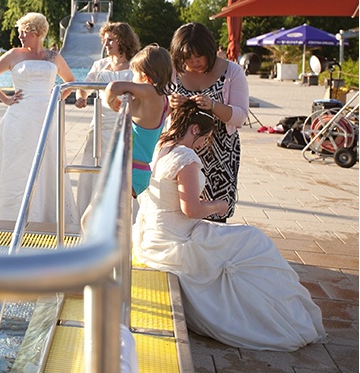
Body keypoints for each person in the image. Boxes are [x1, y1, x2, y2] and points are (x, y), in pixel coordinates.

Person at [134, 101, 325, 351]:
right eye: (205, 136)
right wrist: (218, 206)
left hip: (152, 237)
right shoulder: (185, 157)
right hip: (177, 240)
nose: (205, 143)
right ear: (194, 129)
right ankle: (266, 318)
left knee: (245, 241)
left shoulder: (161, 147)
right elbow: (190, 210)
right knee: (253, 241)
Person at [0, 12, 80, 229]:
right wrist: (5, 98)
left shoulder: (53, 57)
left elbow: (70, 81)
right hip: (19, 116)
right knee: (17, 163)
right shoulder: (14, 54)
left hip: (46, 116)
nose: (20, 36)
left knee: (47, 162)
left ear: (36, 32)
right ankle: (12, 214)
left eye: (24, 31)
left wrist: (56, 98)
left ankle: (45, 214)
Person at [169, 22, 249, 222]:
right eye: (188, 58)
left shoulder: (232, 72)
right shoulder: (173, 71)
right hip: (181, 152)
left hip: (219, 154)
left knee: (214, 217)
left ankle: (212, 252)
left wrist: (213, 104)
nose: (194, 62)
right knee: (178, 213)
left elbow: (240, 117)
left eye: (199, 56)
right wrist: (169, 103)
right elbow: (156, 111)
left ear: (210, 51)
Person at [74, 22, 139, 216]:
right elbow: (84, 86)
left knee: (122, 171)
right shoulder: (100, 64)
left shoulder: (136, 65)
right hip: (101, 123)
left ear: (123, 40)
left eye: (111, 39)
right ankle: (91, 217)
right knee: (94, 167)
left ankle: (124, 219)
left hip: (127, 122)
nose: (107, 43)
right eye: (105, 39)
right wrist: (81, 97)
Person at [105, 44, 173, 198]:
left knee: (97, 217)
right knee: (97, 217)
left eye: (133, 73)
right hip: (137, 169)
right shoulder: (161, 99)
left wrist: (111, 102)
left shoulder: (150, 92)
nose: (132, 78)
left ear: (144, 76)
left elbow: (113, 86)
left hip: (131, 170)